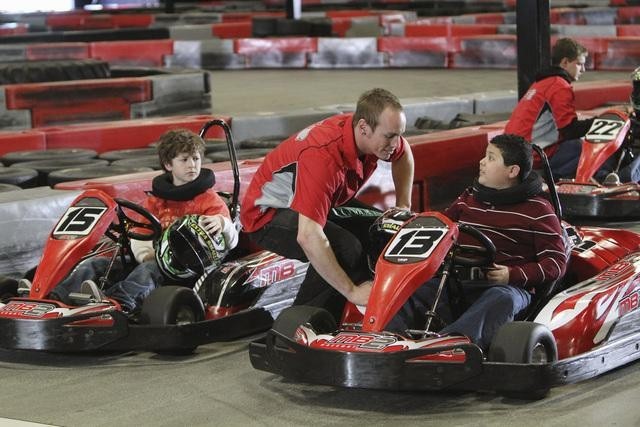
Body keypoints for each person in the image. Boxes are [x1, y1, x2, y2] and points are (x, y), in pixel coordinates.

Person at [240, 88, 415, 320]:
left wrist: (403, 204)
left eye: (398, 135)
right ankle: (299, 326)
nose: (395, 143)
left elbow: (404, 153)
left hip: (318, 200)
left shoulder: (375, 139)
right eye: (390, 136)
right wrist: (352, 292)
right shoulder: (323, 158)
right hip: (268, 215)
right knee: (345, 248)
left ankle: (366, 307)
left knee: (385, 228)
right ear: (364, 127)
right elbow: (308, 236)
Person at [387, 134, 568, 350]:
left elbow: (556, 263)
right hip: (457, 283)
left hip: (507, 287)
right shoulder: (469, 198)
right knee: (413, 289)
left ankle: (452, 346)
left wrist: (512, 274)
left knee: (501, 299)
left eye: (491, 158)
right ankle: (387, 339)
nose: (482, 162)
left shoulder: (539, 211)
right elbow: (441, 225)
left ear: (512, 171)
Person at [50, 128, 239, 313]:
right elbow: (141, 233)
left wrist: (222, 224)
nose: (192, 165)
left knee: (149, 269)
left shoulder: (209, 199)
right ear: (168, 165)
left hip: (186, 268)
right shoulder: (155, 200)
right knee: (97, 263)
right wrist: (144, 253)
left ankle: (120, 302)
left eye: (196, 159)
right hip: (152, 259)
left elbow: (231, 239)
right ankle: (56, 297)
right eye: (184, 160)